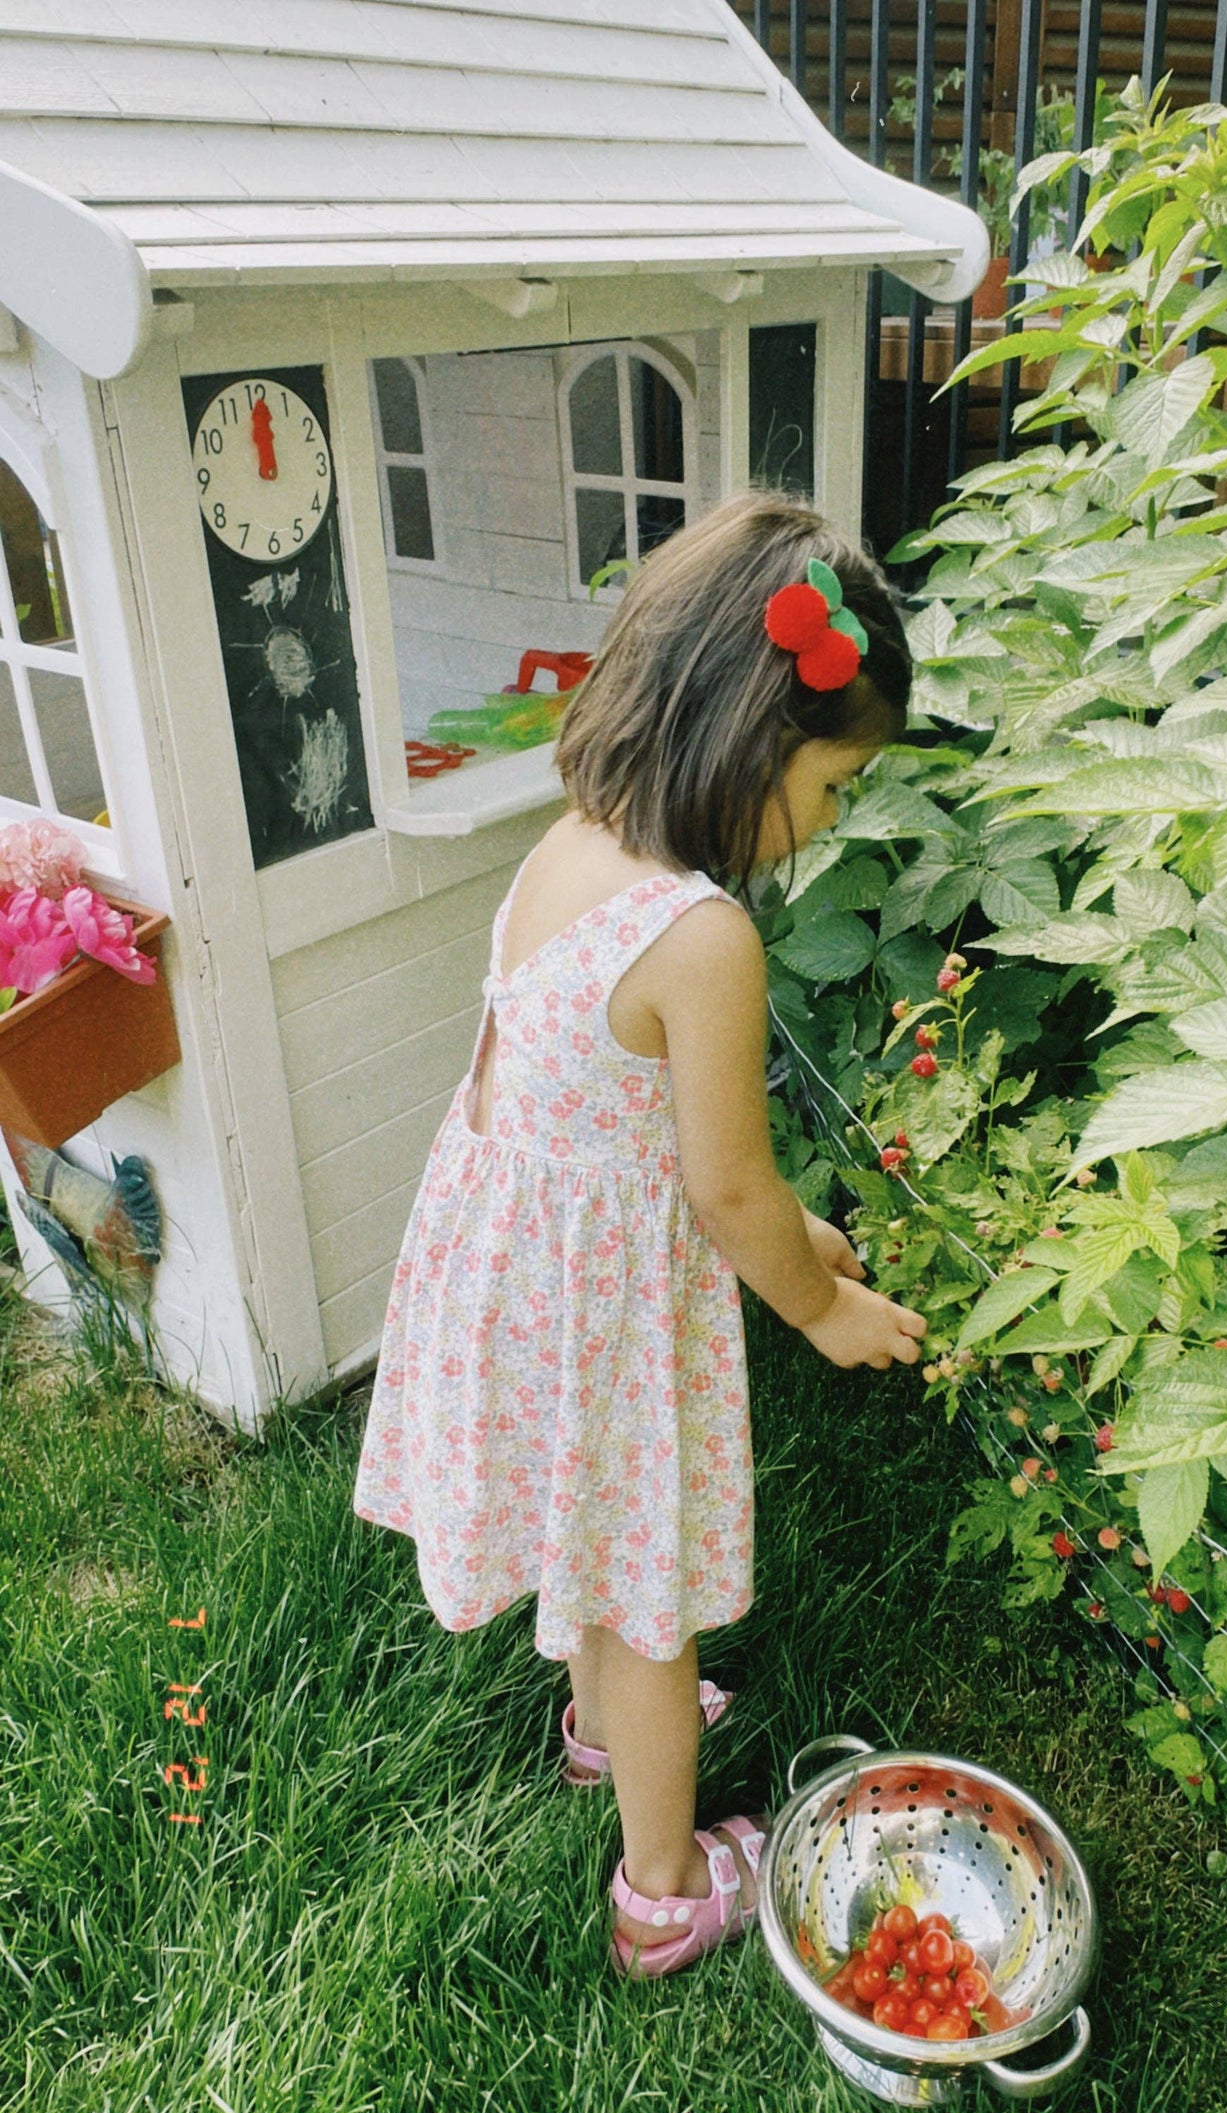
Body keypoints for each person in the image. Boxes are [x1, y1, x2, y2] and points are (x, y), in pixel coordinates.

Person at [353, 490, 928, 1979]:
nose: (828, 821)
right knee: (649, 1584)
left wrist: (780, 1211)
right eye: (832, 784)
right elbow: (727, 1190)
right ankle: (666, 1890)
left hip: (520, 1278)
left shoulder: (572, 847)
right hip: (600, 1312)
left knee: (603, 1549)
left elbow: (651, 1130)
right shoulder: (704, 936)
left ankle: (604, 1730)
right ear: (752, 745)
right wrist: (817, 1304)